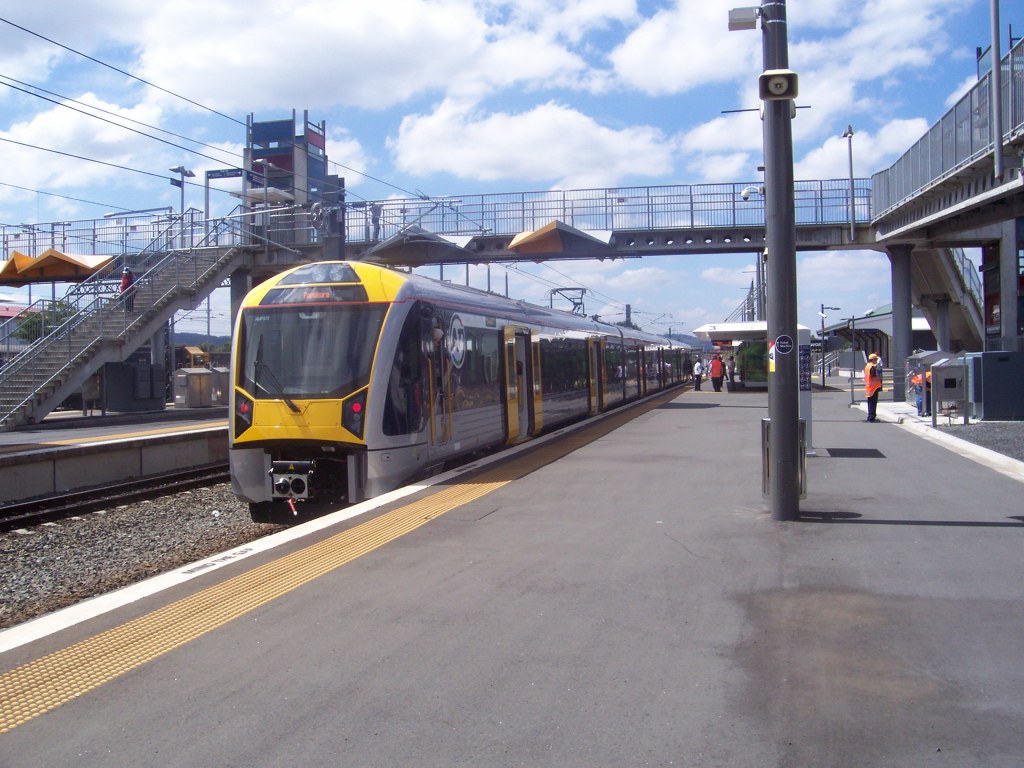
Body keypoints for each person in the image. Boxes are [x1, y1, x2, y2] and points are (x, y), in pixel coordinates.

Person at [864, 352, 882, 422]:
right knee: (873, 403)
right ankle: (871, 418)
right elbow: (873, 376)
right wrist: (879, 377)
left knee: (870, 403)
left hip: (869, 388)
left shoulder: (867, 366)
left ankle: (870, 417)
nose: (876, 361)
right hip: (873, 388)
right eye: (876, 359)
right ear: (873, 359)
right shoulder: (872, 367)